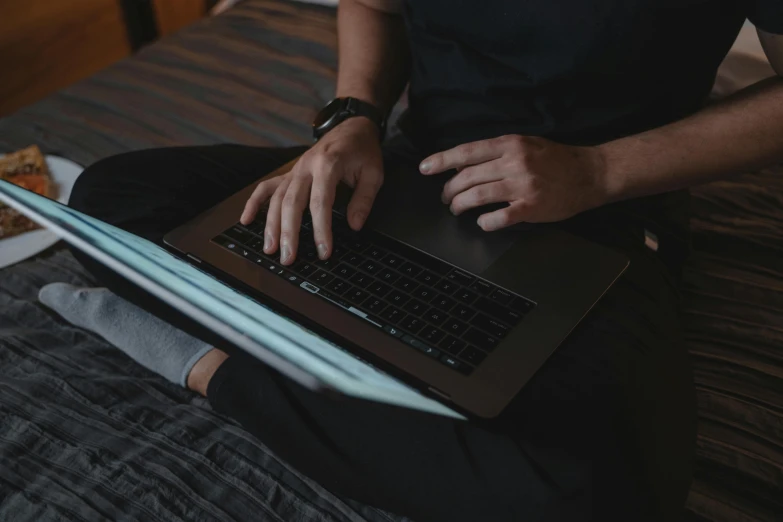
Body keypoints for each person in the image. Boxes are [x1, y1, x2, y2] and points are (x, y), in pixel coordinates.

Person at [37, 1, 783, 520]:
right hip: (406, 172)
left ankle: (208, 367)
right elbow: (373, 4)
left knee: (597, 500)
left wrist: (597, 173)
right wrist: (350, 119)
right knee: (111, 198)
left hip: (600, 212)